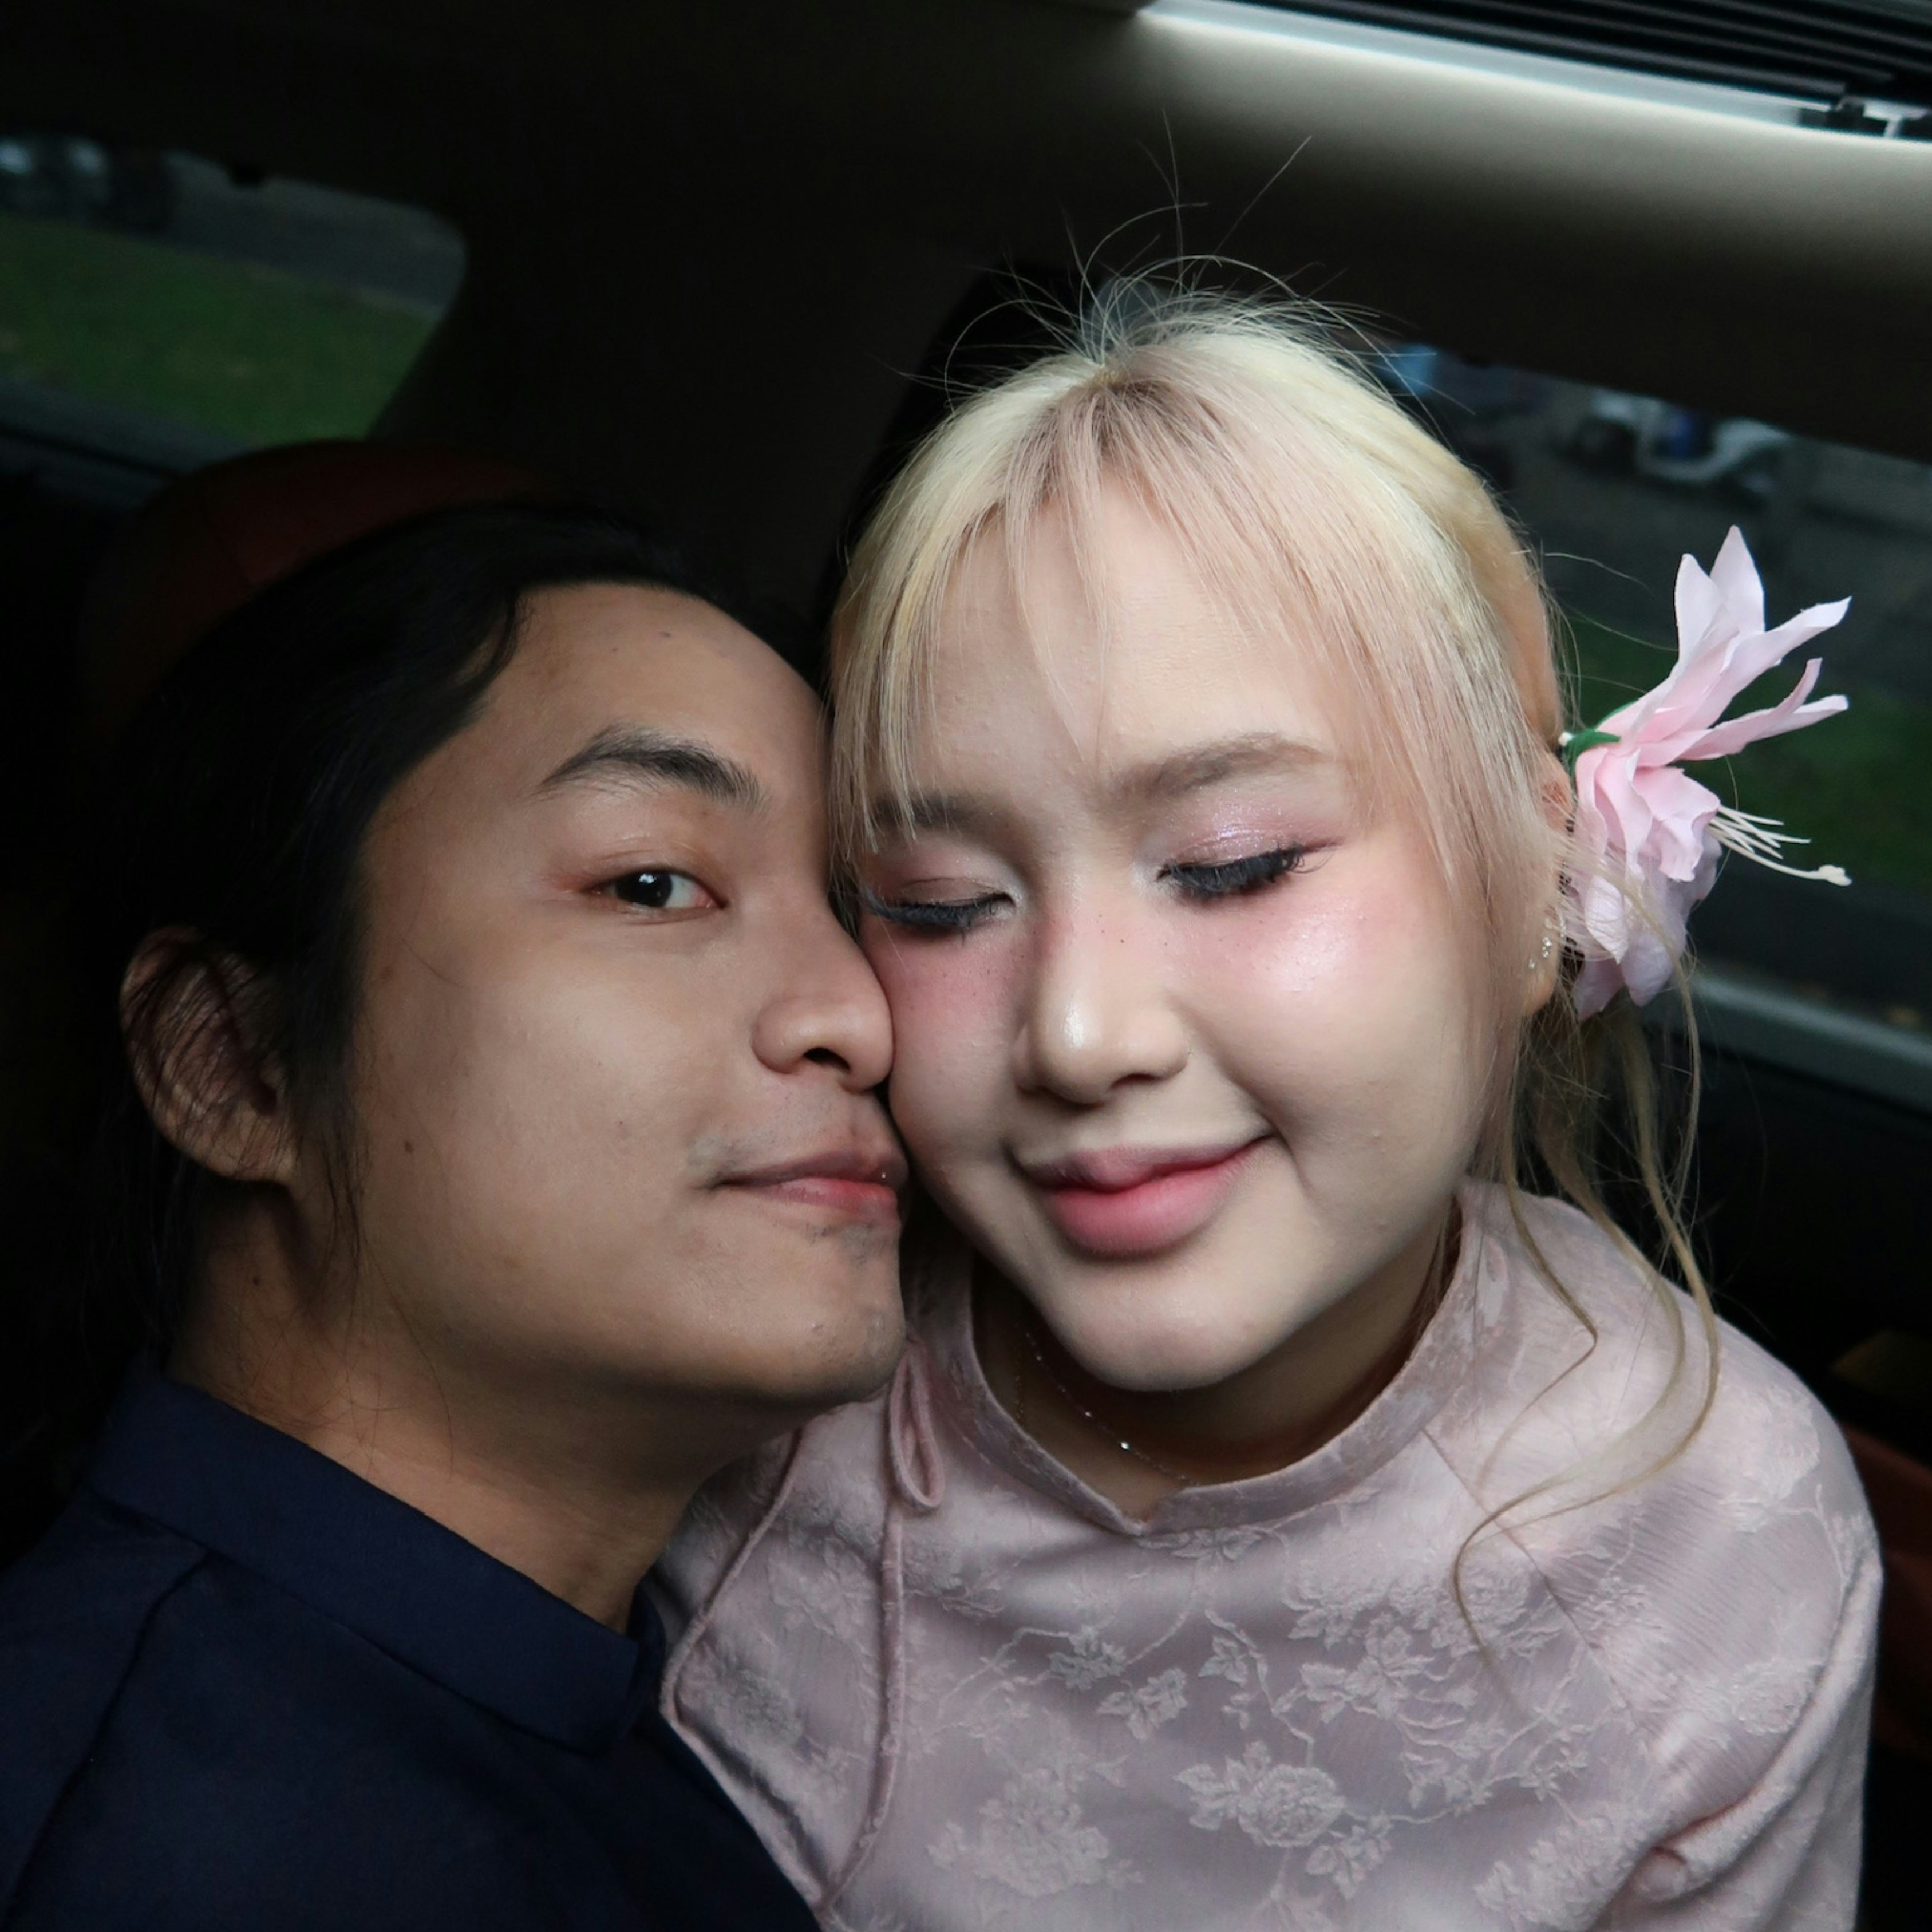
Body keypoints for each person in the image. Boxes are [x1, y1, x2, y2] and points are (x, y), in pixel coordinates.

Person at [654, 290, 1881, 1929]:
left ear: (1538, 880)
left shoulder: (1714, 1537)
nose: (1079, 1034)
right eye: (942, 903)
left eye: (1233, 867)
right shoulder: (736, 1359)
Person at [0, 482, 905, 1930]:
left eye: (863, 911)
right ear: (226, 1060)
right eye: (652, 881)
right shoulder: (177, 1845)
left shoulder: (559, 1712)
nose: (857, 1015)